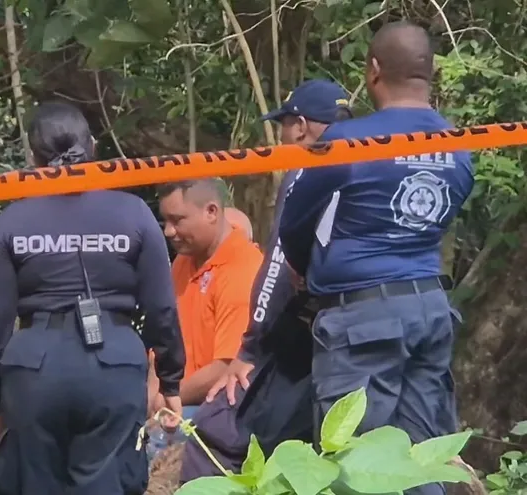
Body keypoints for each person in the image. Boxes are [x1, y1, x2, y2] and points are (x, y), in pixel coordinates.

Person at [279, 21, 472, 495]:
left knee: (352, 467)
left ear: (373, 70)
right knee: (423, 461)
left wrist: (306, 272)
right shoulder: (460, 147)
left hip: (363, 320)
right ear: (430, 73)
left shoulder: (348, 142)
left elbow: (293, 224)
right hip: (430, 310)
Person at [0, 100, 185, 495]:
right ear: (92, 147)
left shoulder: (13, 220)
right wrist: (171, 382)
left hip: (34, 371)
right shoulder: (134, 213)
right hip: (114, 367)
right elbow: (161, 307)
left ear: (34, 158)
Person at [178, 79, 353, 482]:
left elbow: (278, 265)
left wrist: (250, 348)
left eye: (284, 126)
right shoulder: (380, 157)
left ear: (302, 127)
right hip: (368, 330)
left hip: (304, 336)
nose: (282, 137)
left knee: (213, 433)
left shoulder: (309, 167)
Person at [144, 179, 263, 459]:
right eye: (165, 221)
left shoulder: (243, 268)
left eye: (177, 220)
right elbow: (161, 344)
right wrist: (152, 399)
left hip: (221, 409)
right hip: (177, 400)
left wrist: (167, 399)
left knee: (154, 442)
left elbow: (226, 368)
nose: (168, 231)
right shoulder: (183, 262)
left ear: (211, 212)